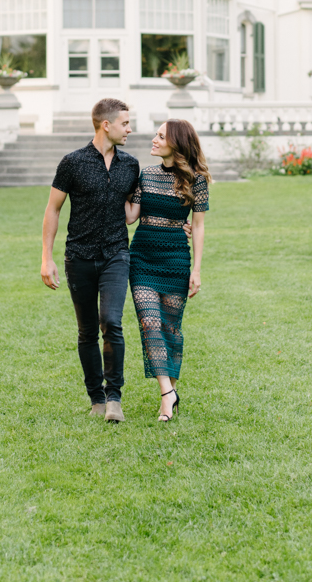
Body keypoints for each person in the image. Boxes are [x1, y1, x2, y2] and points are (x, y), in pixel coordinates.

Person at [40, 98, 139, 423]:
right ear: (105, 125)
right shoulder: (72, 162)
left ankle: (114, 398)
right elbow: (53, 209)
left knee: (111, 321)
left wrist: (173, 215)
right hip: (79, 257)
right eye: (125, 123)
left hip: (116, 254)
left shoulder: (131, 165)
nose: (130, 128)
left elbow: (130, 214)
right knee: (86, 330)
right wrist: (47, 258)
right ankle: (96, 396)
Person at [125, 119, 210, 422]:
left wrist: (196, 270)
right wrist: (118, 184)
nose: (154, 140)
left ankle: (169, 399)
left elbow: (198, 227)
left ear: (176, 143)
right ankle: (167, 393)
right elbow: (131, 217)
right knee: (150, 322)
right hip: (142, 258)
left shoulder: (196, 179)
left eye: (161, 136)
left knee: (171, 329)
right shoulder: (145, 175)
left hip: (176, 259)